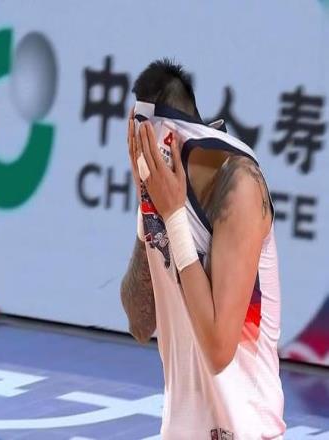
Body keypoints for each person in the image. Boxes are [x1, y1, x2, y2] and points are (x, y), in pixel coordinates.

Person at [120, 60, 286, 439]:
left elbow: (218, 349)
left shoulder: (239, 186)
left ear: (167, 139)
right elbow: (140, 323)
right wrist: (148, 207)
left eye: (144, 144)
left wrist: (174, 217)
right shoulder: (164, 198)